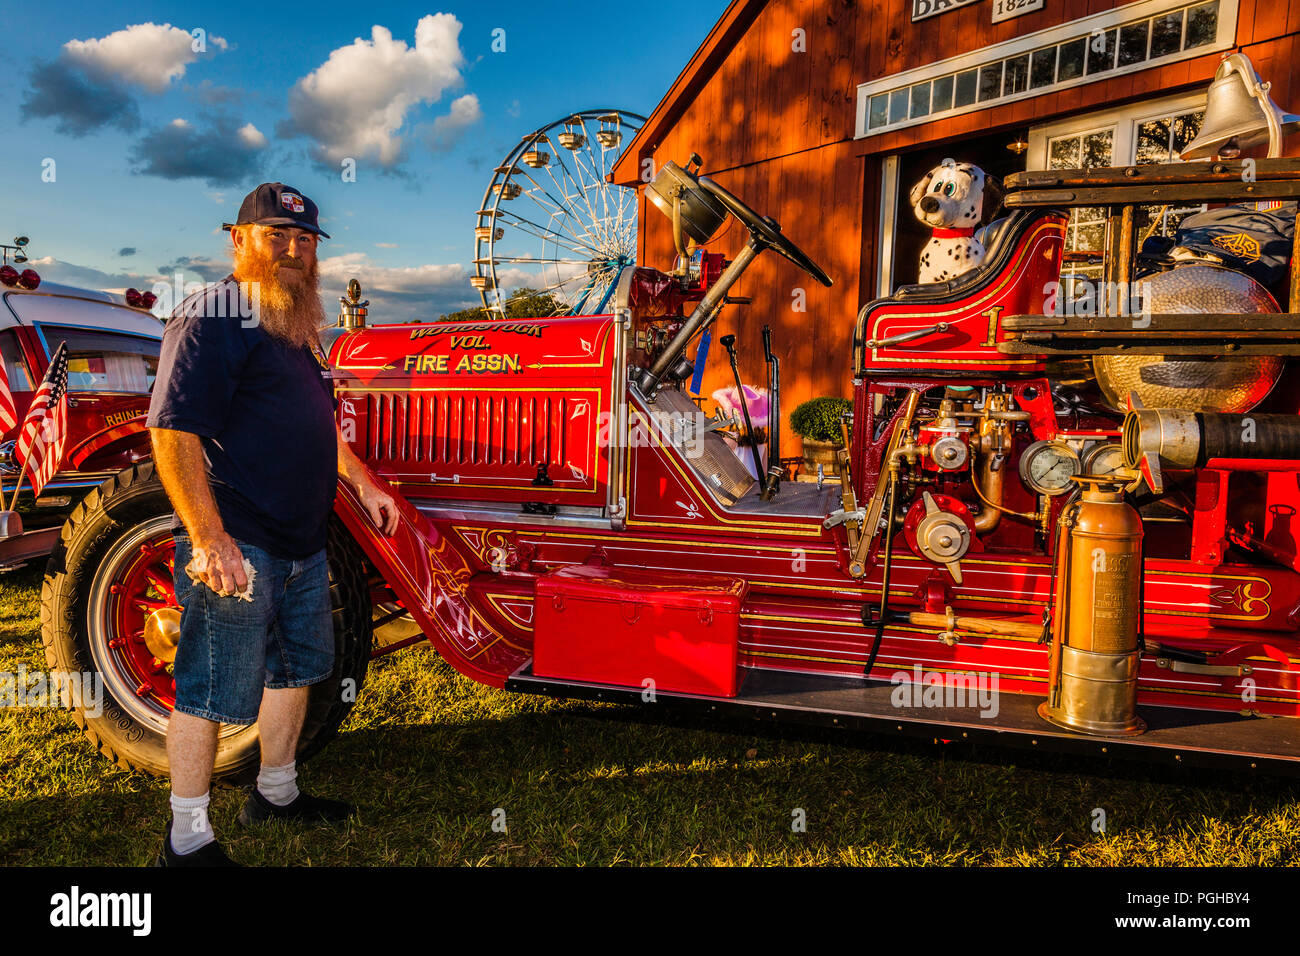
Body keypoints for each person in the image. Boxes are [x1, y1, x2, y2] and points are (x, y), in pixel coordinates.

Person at [147, 182, 398, 866]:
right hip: (241, 542)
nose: (293, 250)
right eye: (276, 236)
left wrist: (362, 480)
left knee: (296, 670)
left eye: (305, 240)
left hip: (302, 542)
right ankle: (187, 838)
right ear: (239, 239)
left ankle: (277, 794)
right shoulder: (214, 316)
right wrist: (209, 538)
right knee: (208, 685)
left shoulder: (291, 322)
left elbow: (317, 423)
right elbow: (173, 431)